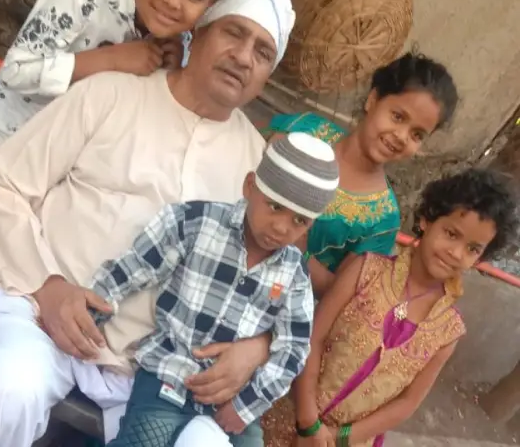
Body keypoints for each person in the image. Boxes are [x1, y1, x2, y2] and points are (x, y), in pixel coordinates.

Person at [0, 0, 296, 447]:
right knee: (9, 384)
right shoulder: (109, 95)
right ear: (198, 34)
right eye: (234, 33)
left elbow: (272, 281)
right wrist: (47, 286)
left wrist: (257, 347)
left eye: (262, 53)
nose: (243, 57)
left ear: (265, 77)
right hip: (37, 315)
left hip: (150, 368)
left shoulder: (257, 168)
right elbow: (3, 184)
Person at [0, 0, 238, 243]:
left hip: (51, 182)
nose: (173, 1)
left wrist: (173, 75)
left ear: (212, 2)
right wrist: (110, 59)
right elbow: (16, 71)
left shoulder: (183, 49)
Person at [90, 132, 339, 447]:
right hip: (170, 375)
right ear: (250, 186)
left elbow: (293, 350)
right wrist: (92, 310)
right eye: (275, 206)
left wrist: (245, 406)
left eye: (299, 220)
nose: (281, 227)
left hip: (234, 399)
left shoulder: (295, 275)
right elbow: (136, 267)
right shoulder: (197, 222)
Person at [260, 167, 519, 447]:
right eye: (451, 233)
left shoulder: (448, 331)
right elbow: (313, 339)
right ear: (426, 219)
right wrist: (309, 423)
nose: (456, 253)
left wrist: (338, 438)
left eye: (472, 249)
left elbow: (407, 402)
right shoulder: (364, 271)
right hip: (291, 411)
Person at [261, 52, 459, 298]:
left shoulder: (382, 220)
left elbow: (338, 295)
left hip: (280, 301)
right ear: (373, 100)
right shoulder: (304, 130)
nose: (401, 136)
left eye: (417, 134)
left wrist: (301, 252)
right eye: (398, 117)